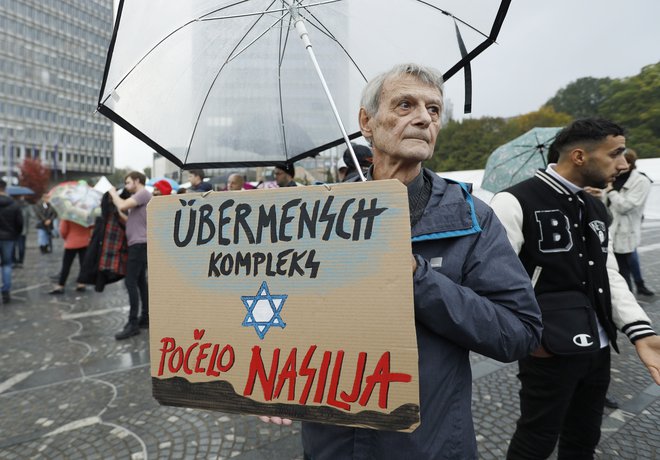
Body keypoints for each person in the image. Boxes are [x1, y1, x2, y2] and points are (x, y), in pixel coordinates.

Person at [261, 63, 543, 459]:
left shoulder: (473, 219)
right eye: (405, 104)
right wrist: (266, 377)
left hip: (428, 445)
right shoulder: (311, 216)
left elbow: (519, 332)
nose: (423, 118)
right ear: (367, 122)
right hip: (332, 442)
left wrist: (418, 277)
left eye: (434, 109)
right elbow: (280, 310)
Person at [489, 118, 660, 459]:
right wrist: (531, 338)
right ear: (580, 156)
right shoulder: (511, 202)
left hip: (597, 348)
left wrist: (641, 332)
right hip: (547, 349)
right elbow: (494, 281)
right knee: (535, 439)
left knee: (584, 438)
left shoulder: (594, 207)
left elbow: (608, 274)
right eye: (615, 154)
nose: (623, 163)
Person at [109, 171, 152, 340]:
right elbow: (129, 218)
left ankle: (133, 323)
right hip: (139, 243)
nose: (126, 186)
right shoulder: (140, 197)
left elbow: (123, 206)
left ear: (137, 181)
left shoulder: (143, 193)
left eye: (128, 183)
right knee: (141, 281)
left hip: (139, 245)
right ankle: (145, 318)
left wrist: (113, 194)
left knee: (130, 281)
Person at [607, 148, 654, 295]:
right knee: (623, 264)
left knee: (625, 265)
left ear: (630, 163)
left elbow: (626, 207)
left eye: (621, 160)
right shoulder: (611, 177)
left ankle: (631, 293)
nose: (617, 164)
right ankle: (636, 288)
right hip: (611, 229)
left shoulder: (641, 180)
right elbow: (605, 204)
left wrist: (610, 191)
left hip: (627, 230)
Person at [48, 219, 92, 294]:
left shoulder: (68, 216)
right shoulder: (86, 216)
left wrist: (67, 238)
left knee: (66, 265)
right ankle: (81, 284)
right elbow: (91, 227)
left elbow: (63, 230)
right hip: (85, 242)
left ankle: (61, 285)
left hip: (71, 242)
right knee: (83, 264)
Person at [0, 180, 23, 304]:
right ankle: (5, 291)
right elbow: (19, 223)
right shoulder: (14, 204)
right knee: (7, 264)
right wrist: (15, 234)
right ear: (5, 189)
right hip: (8, 237)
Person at [13, 195, 32, 268]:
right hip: (15, 230)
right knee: (15, 247)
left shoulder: (25, 207)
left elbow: (31, 217)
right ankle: (16, 261)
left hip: (20, 230)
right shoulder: (12, 206)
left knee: (20, 247)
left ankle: (19, 261)